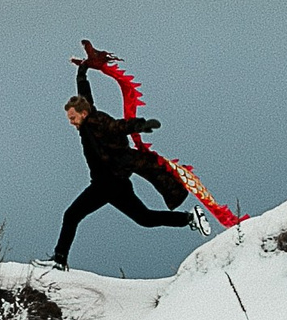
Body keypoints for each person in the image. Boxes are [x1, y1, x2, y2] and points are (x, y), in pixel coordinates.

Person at [50, 47, 210, 269]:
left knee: (71, 215)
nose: (71, 122)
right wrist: (82, 73)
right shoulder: (89, 120)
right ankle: (190, 218)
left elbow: (118, 126)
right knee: (145, 218)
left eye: (72, 117)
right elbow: (85, 97)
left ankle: (59, 261)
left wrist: (139, 125)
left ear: (83, 114)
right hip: (117, 184)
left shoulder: (94, 123)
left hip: (106, 183)